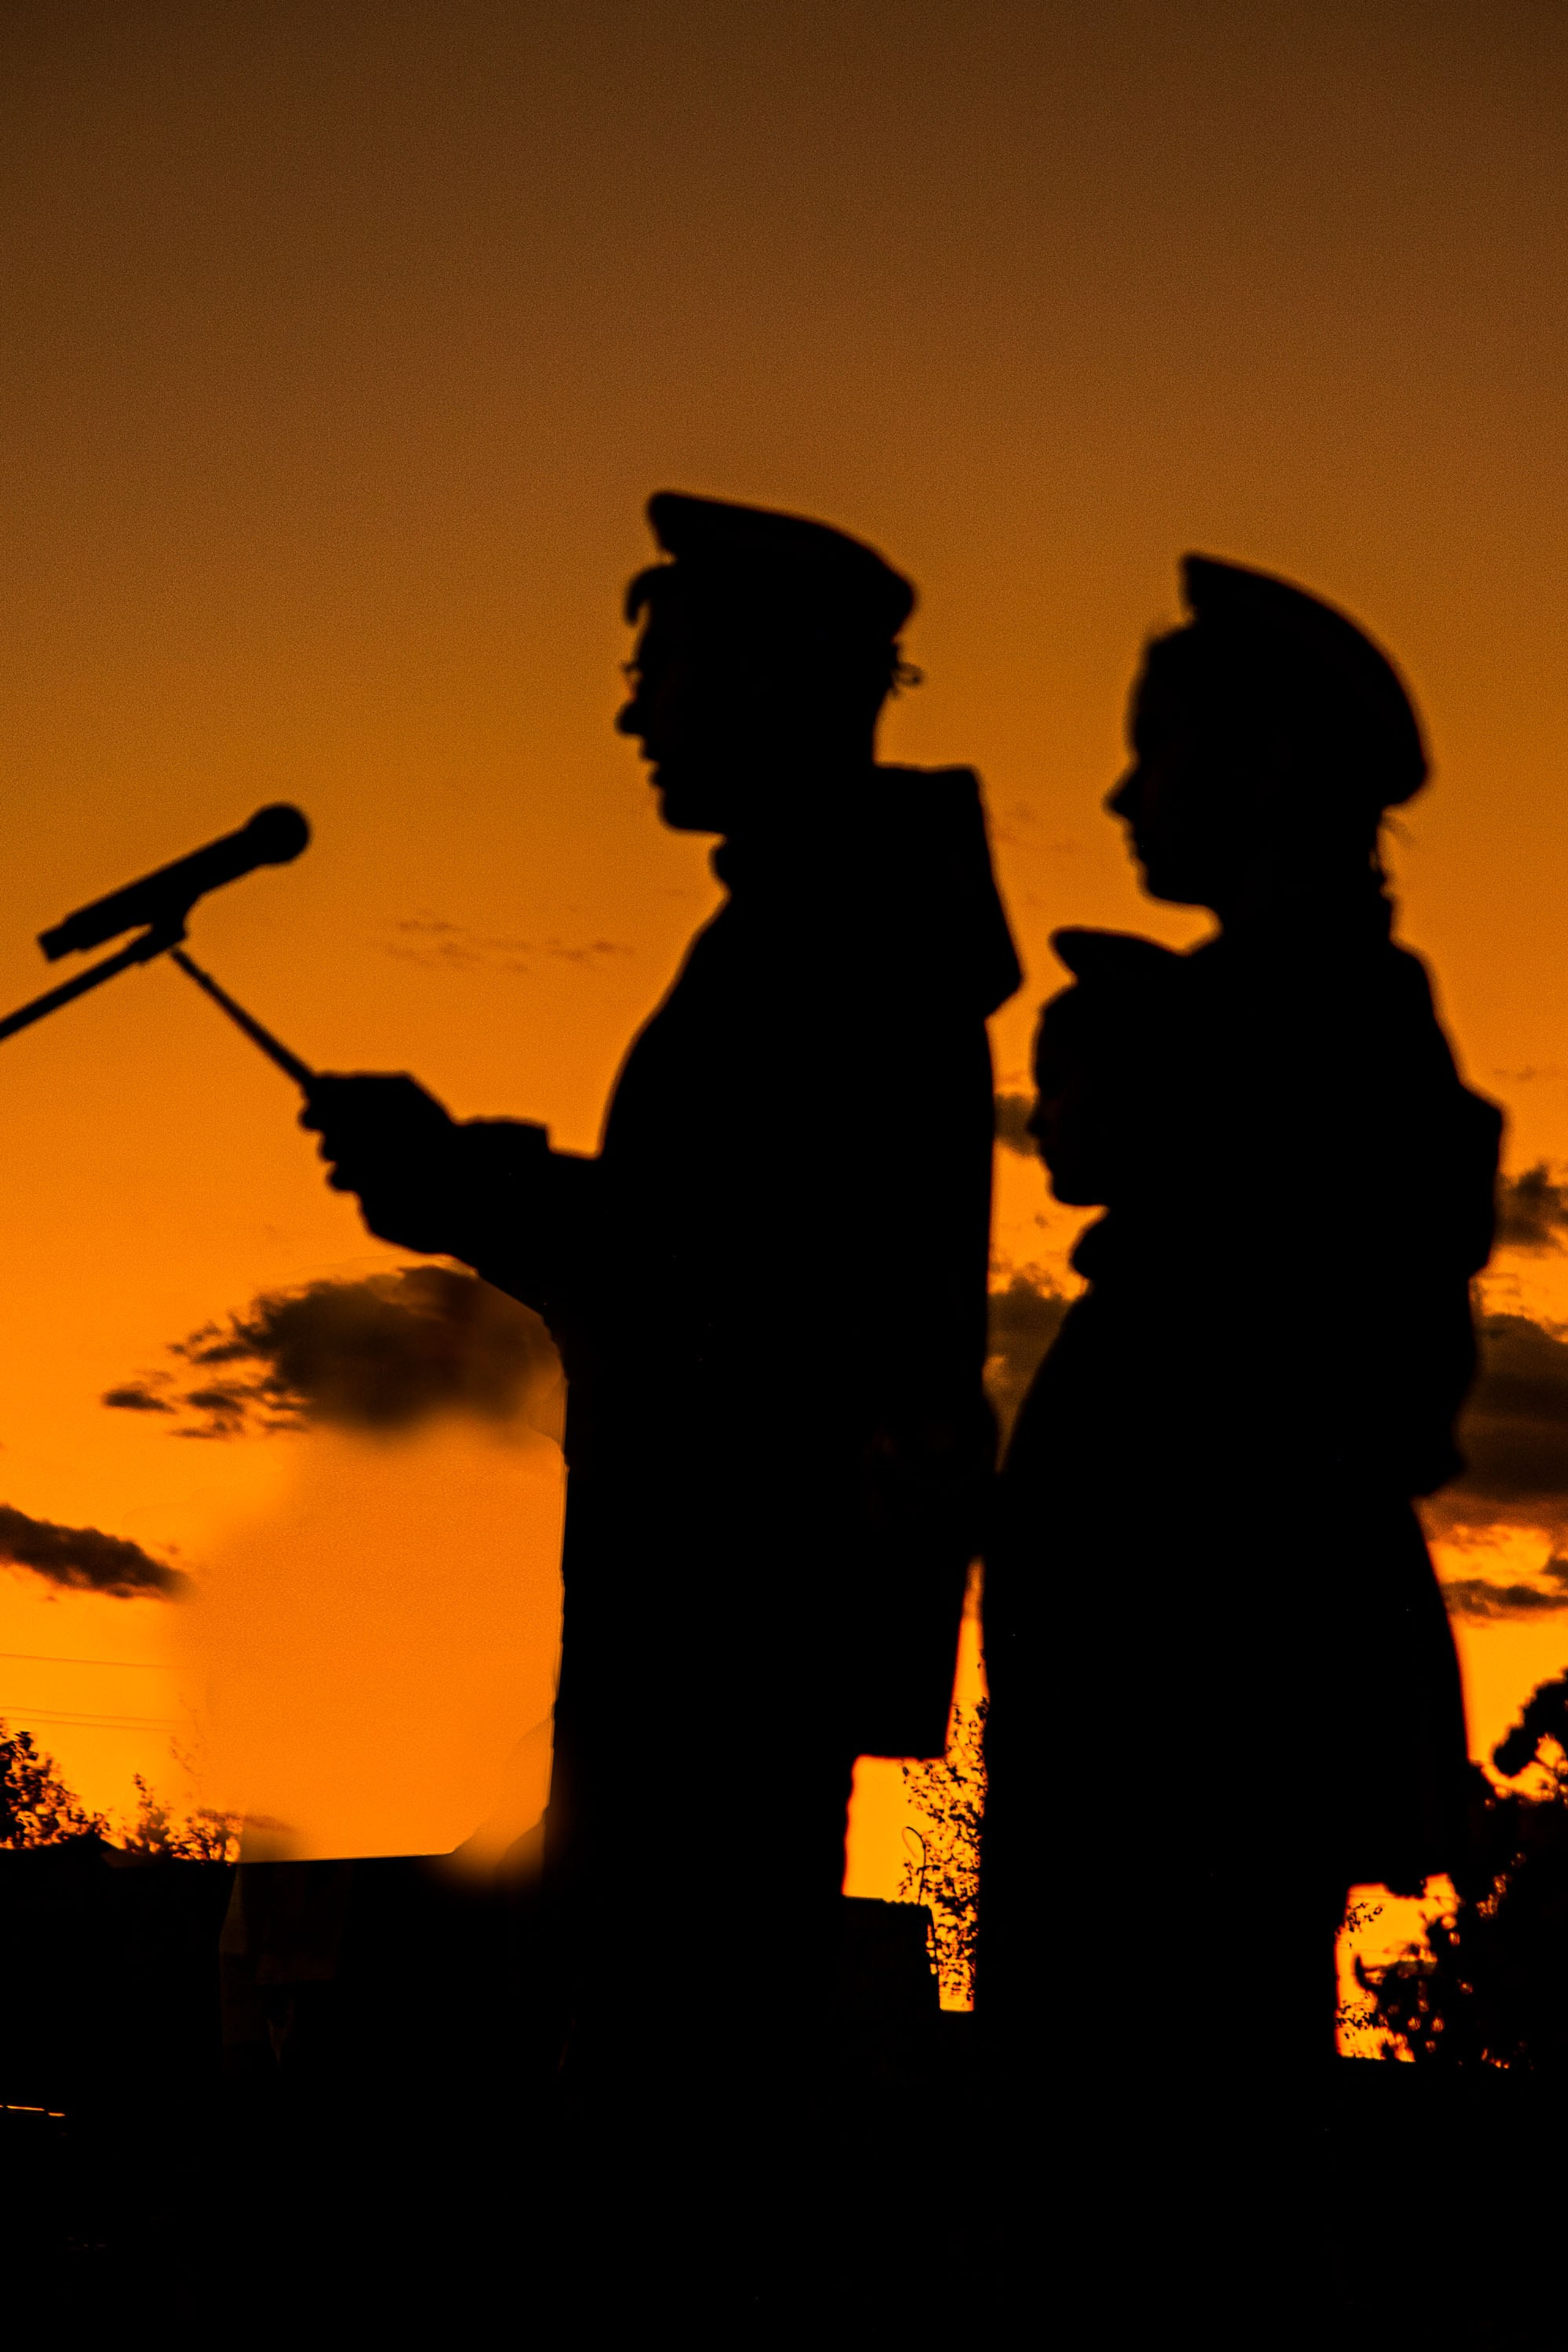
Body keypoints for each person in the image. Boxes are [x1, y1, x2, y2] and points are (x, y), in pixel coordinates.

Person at [300, 491, 1020, 2302]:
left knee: (675, 2136)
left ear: (774, 680)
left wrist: (472, 1189)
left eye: (664, 668)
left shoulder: (840, 937)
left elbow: (742, 1283)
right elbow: (717, 1249)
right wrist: (482, 1182)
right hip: (720, 1612)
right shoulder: (833, 925)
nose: (636, 715)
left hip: (727, 1616)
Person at [976, 554, 1501, 2331]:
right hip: (1150, 1763)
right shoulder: (1281, 1031)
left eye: (1157, 750)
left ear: (1266, 767)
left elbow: (1345, 1411)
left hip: (1191, 1767)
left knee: (1187, 2232)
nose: (1124, 792)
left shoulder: (1323, 1035)